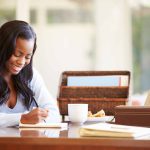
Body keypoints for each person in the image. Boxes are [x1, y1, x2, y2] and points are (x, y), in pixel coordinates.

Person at [0, 20, 61, 127]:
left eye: (28, 57)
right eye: (17, 54)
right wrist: (22, 118)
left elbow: (54, 113)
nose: (22, 62)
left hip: (25, 142)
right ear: (3, 48)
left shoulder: (30, 75)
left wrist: (38, 118)